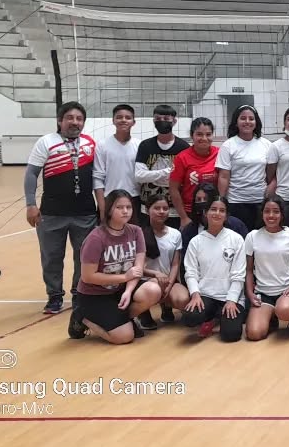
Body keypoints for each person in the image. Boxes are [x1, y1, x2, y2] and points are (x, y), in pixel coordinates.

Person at [25, 101, 98, 314]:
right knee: (51, 257)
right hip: (51, 213)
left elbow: (100, 176)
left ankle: (79, 293)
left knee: (84, 256)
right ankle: (54, 296)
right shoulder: (46, 142)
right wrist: (30, 204)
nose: (75, 122)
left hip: (85, 213)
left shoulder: (91, 144)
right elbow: (31, 174)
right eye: (70, 118)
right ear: (60, 120)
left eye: (79, 119)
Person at [67, 190, 159, 343]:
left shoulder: (136, 232)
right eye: (119, 207)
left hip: (121, 289)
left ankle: (121, 321)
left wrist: (129, 291)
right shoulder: (96, 238)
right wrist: (124, 277)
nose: (125, 211)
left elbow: (137, 267)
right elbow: (88, 276)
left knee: (153, 290)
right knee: (124, 337)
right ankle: (82, 317)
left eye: (128, 207)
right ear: (109, 209)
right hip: (95, 294)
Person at [181, 193, 247, 342]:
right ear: (206, 212)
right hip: (206, 294)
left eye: (222, 210)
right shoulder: (196, 241)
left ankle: (218, 319)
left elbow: (239, 274)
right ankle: (212, 318)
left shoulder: (236, 239)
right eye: (213, 209)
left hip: (231, 296)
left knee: (231, 335)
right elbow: (190, 272)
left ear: (226, 215)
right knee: (189, 317)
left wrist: (231, 300)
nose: (217, 213)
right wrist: (195, 294)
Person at [244, 196, 289, 340]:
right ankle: (270, 316)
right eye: (267, 211)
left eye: (275, 212)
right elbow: (248, 270)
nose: (271, 215)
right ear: (262, 214)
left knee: (284, 311)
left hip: (287, 291)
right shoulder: (252, 236)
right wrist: (250, 294)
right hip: (263, 292)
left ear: (282, 214)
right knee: (254, 334)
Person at [138, 194, 190, 328]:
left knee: (183, 300)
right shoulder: (139, 233)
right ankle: (143, 312)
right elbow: (136, 267)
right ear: (147, 209)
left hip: (168, 280)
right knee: (153, 289)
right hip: (146, 281)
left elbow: (175, 263)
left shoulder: (175, 234)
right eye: (157, 208)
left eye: (165, 208)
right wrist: (155, 275)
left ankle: (166, 306)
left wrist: (170, 283)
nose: (161, 212)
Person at [216, 105, 271, 230]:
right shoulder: (228, 145)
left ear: (256, 122)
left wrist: (269, 193)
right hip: (236, 202)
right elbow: (224, 176)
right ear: (236, 122)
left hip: (260, 202)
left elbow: (271, 173)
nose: (247, 122)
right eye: (243, 118)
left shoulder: (266, 144)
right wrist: (221, 200)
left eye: (251, 119)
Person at [135, 104, 190, 228]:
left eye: (166, 119)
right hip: (147, 208)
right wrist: (166, 172)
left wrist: (151, 175)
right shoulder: (145, 145)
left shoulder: (183, 147)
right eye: (158, 119)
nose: (162, 122)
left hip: (174, 209)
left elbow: (183, 180)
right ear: (153, 121)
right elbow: (139, 176)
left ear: (174, 121)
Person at [92, 104, 140, 225]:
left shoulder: (140, 145)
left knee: (132, 238)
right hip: (109, 199)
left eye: (128, 117)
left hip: (134, 199)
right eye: (119, 117)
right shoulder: (102, 145)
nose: (123, 120)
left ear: (133, 122)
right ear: (113, 121)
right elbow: (98, 178)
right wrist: (102, 208)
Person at [170, 117, 219, 229]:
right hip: (190, 212)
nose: (204, 138)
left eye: (208, 134)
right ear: (192, 136)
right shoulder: (181, 158)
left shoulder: (219, 153)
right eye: (199, 134)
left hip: (213, 210)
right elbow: (173, 189)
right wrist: (183, 217)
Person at [179, 183, 249, 253]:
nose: (202, 203)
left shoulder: (236, 226)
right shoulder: (189, 230)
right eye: (198, 199)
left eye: (205, 199)